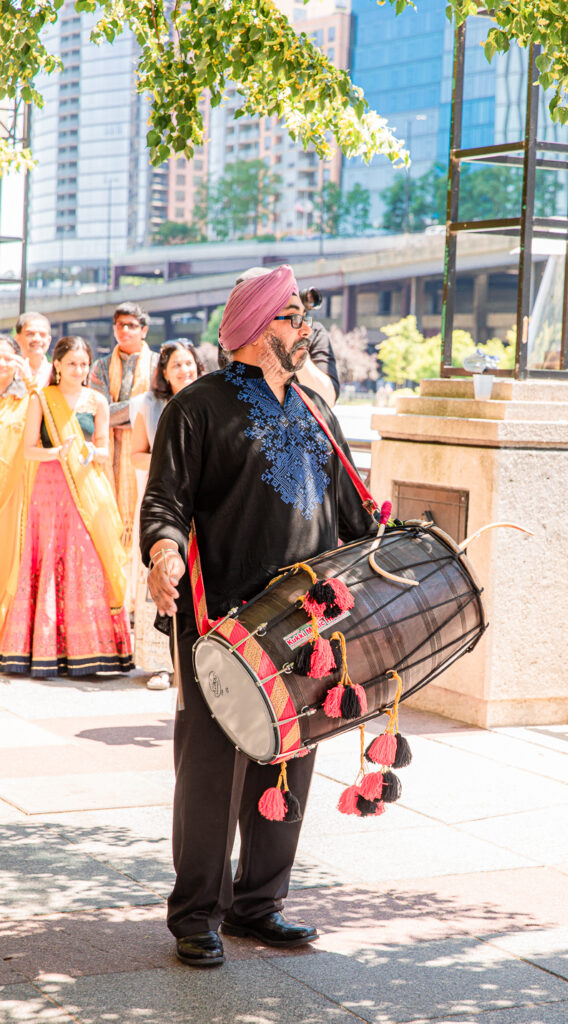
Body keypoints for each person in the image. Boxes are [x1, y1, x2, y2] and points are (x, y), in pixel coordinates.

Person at [140, 264, 375, 967]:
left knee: (289, 764)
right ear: (254, 327)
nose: (306, 329)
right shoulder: (198, 407)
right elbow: (164, 502)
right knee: (213, 769)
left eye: (304, 318)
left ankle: (258, 904)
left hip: (307, 626)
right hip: (223, 623)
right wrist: (163, 552)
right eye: (293, 317)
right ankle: (196, 916)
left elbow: (355, 516)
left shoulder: (314, 409)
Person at [0, 336, 133, 678]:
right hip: (47, 491)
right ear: (56, 364)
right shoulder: (42, 400)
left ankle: (90, 649)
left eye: (84, 364)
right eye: (72, 363)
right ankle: (39, 650)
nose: (79, 370)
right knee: (48, 557)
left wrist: (90, 452)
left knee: (85, 558)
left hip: (87, 488)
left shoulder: (97, 401)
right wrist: (55, 453)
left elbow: (104, 450)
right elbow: (28, 449)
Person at [130, 340, 205, 690]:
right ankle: (161, 663)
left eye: (189, 363)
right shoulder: (150, 405)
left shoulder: (211, 402)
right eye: (176, 365)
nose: (184, 370)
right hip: (165, 503)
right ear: (164, 371)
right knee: (162, 577)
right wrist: (172, 463)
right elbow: (135, 455)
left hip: (200, 509)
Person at [89, 302, 157, 553]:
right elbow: (98, 411)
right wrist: (141, 407)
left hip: (146, 454)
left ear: (144, 330)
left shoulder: (158, 365)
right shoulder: (100, 367)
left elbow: (160, 409)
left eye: (131, 325)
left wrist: (116, 412)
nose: (125, 330)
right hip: (108, 454)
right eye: (120, 325)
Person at [224, 269, 339, 406]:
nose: (305, 330)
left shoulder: (312, 332)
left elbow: (326, 398)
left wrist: (295, 347)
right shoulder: (233, 337)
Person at [0, 336, 34, 632]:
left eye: (8, 357)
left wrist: (31, 382)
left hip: (12, 495)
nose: (2, 363)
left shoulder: (27, 398)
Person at [14, 312, 52, 388]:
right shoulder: (7, 371)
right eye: (30, 334)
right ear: (17, 339)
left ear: (49, 340)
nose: (37, 339)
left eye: (42, 335)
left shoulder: (58, 373)